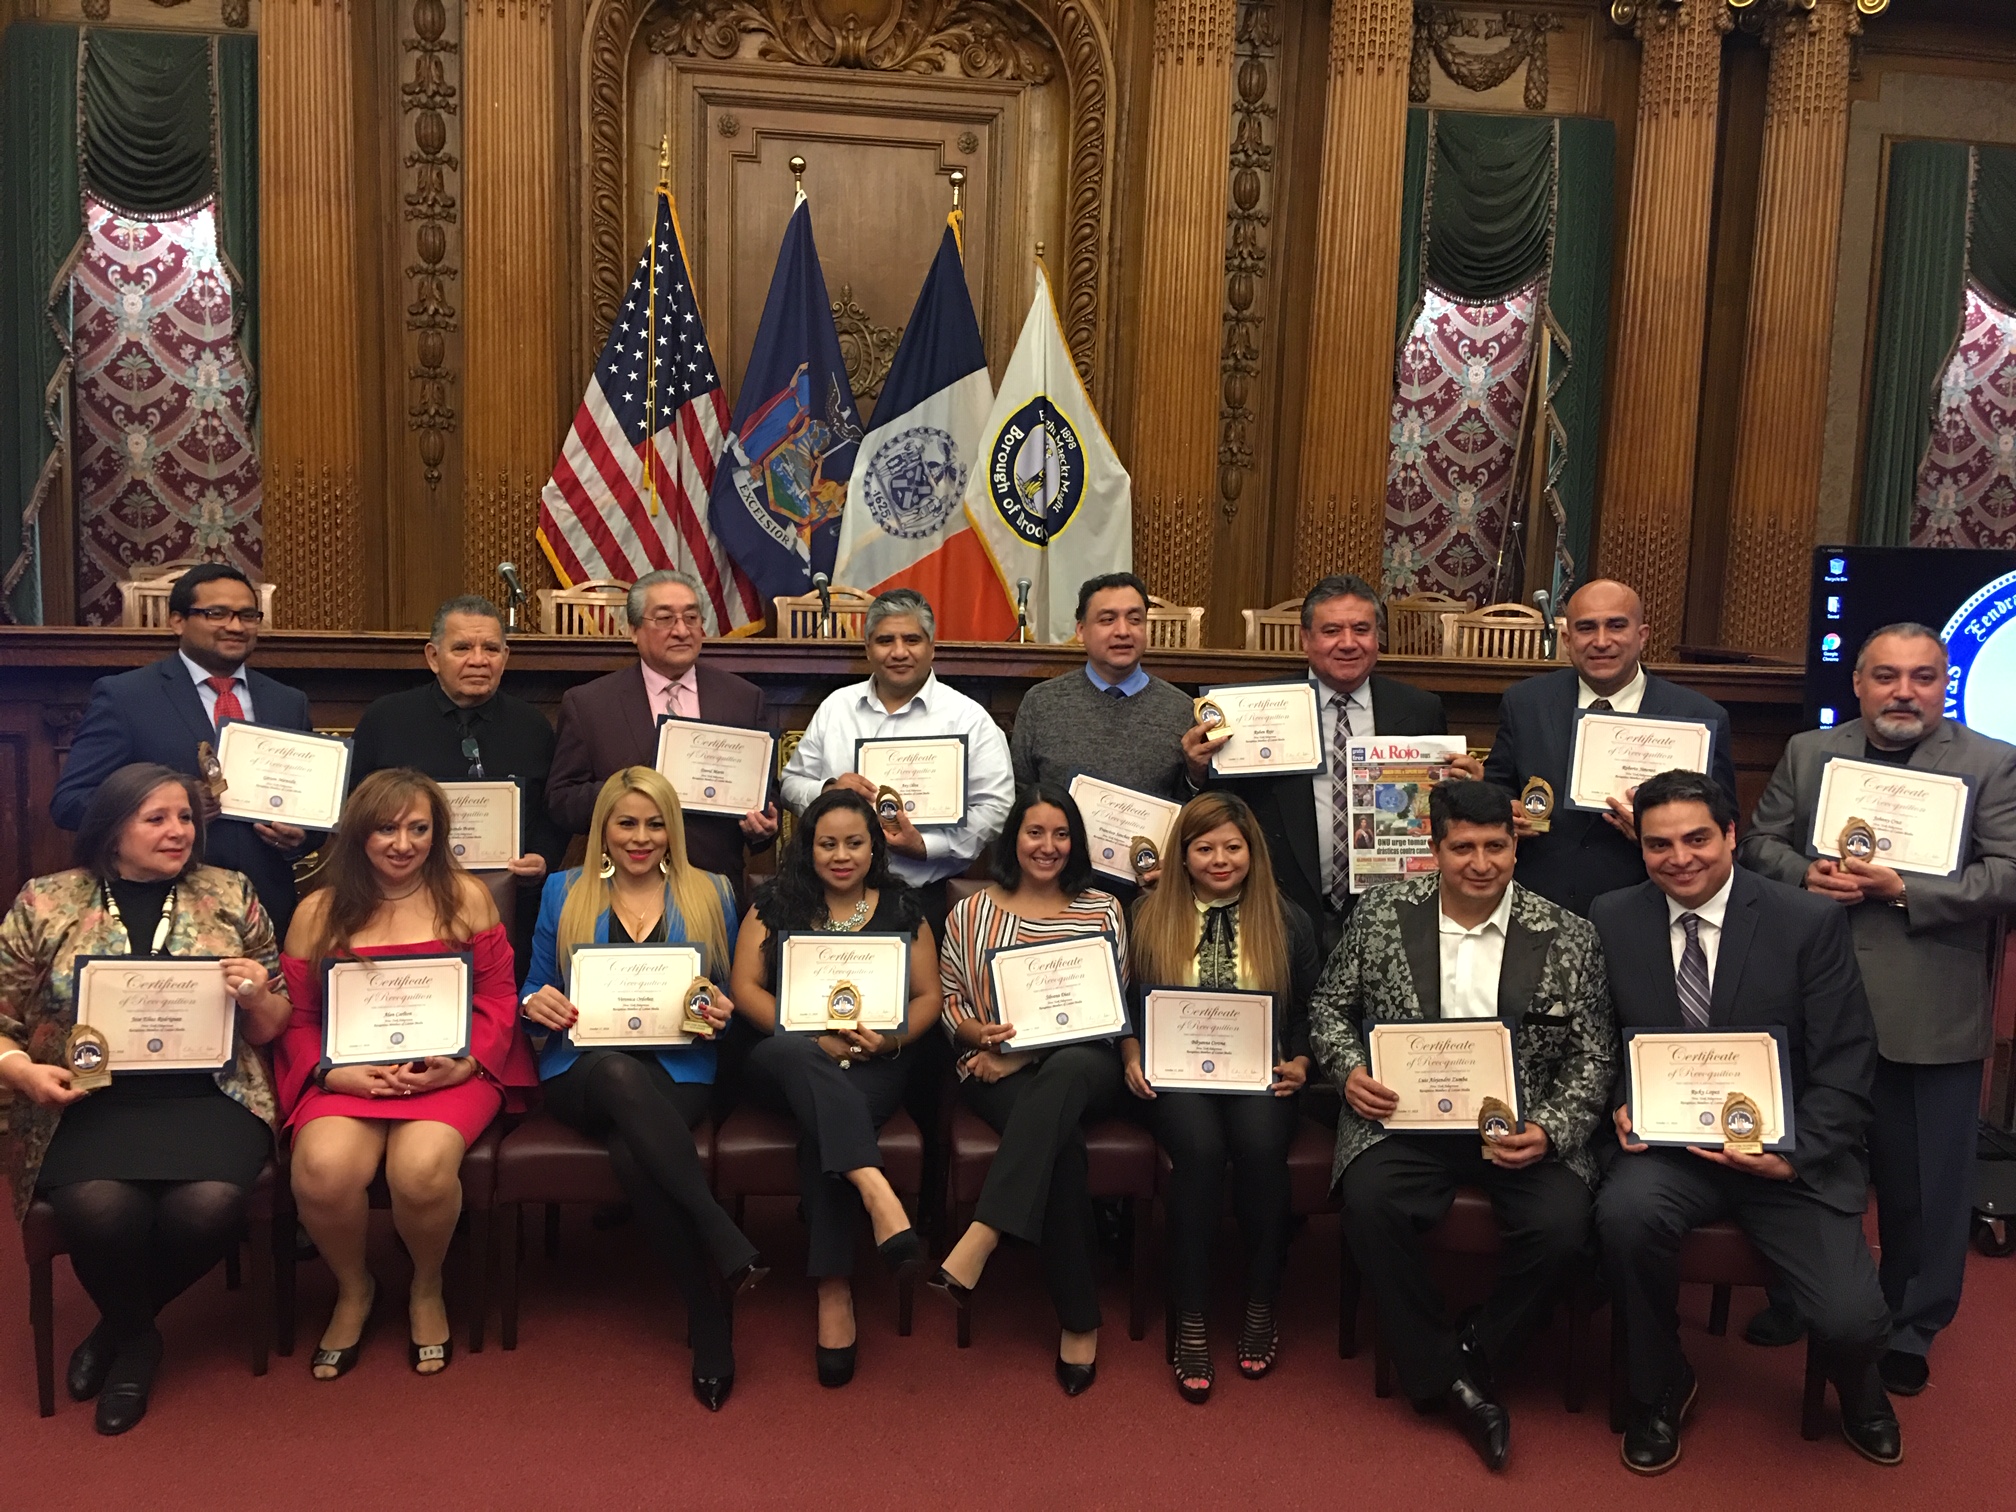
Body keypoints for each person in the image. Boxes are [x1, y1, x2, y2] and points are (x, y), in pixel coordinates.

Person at [1591, 769, 1898, 1475]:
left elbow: (1848, 1060)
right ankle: (1661, 1383)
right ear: (1640, 847)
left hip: (1789, 1157)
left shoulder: (1806, 921)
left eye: (1697, 838)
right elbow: (1599, 1039)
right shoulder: (1612, 916)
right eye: (1658, 844)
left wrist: (1794, 1154)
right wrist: (1618, 1101)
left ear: (1731, 835)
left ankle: (1860, 1384)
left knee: (1850, 1318)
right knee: (1624, 1217)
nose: (1680, 858)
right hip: (1671, 1152)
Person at [1735, 623, 2016, 1392]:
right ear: (1857, 684)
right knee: (1799, 1161)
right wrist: (1803, 874)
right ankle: (1797, 1294)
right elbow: (1758, 845)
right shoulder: (1810, 753)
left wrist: (1905, 890)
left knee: (1922, 1185)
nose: (1903, 692)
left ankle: (1911, 1326)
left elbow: (2008, 875)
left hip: (1929, 1006)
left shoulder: (1991, 764)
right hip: (1811, 1002)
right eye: (1886, 676)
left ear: (1944, 686)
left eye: (1922, 677)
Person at [1308, 780, 1614, 1470]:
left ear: (1516, 845)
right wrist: (1349, 1070)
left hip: (1519, 1127)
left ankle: (1467, 1354)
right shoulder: (1381, 913)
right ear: (1434, 848)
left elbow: (1593, 1056)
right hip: (1401, 1121)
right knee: (1370, 1203)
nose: (1481, 863)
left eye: (1496, 846)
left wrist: (1552, 1128)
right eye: (1464, 848)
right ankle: (1453, 1376)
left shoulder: (1570, 934)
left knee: (1564, 1226)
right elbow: (1328, 1007)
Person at [0, 764, 290, 1434]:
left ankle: (120, 1329)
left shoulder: (230, 893)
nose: (178, 831)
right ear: (112, 828)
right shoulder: (46, 902)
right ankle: (139, 1340)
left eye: (185, 817)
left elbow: (274, 1025)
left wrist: (256, 994)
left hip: (212, 1094)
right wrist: (23, 1073)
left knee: (208, 1206)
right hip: (85, 1098)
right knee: (100, 1210)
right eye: (156, 818)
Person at [275, 768, 538, 1381]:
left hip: (451, 1072)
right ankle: (354, 1288)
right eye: (386, 829)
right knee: (322, 1170)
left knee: (419, 1171)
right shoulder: (317, 911)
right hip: (348, 1074)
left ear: (437, 833)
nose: (403, 844)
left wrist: (465, 1063)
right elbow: (300, 1018)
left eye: (418, 829)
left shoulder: (467, 897)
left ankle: (426, 1285)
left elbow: (499, 998)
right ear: (358, 834)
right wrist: (330, 1073)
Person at [518, 768, 764, 1410]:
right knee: (616, 1073)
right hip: (581, 1071)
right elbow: (534, 985)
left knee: (633, 1151)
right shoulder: (563, 890)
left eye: (655, 824)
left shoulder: (711, 891)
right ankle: (718, 1233)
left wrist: (718, 1009)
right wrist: (534, 1004)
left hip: (679, 1070)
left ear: (672, 829)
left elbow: (723, 991)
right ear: (603, 827)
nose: (640, 837)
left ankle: (706, 1313)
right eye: (626, 822)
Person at [726, 787, 939, 1387]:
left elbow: (929, 997)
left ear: (874, 848)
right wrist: (810, 1035)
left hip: (875, 1061)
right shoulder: (775, 902)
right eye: (827, 844)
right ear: (808, 847)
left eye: (853, 843)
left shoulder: (905, 907)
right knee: (801, 1060)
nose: (841, 855)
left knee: (828, 1125)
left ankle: (834, 1287)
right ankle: (876, 1190)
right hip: (786, 1056)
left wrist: (889, 1042)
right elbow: (744, 988)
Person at [1120, 791, 1320, 1403]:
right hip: (1174, 1077)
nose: (1220, 859)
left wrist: (1302, 1061)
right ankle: (1191, 1313)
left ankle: (1261, 1300)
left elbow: (1312, 1010)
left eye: (1233, 847)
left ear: (1253, 851)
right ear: (1182, 855)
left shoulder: (1286, 919)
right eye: (1204, 848)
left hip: (1261, 1074)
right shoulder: (1146, 914)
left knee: (1260, 1147)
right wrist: (1130, 1054)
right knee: (1201, 1152)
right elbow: (1122, 1004)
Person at [931, 784, 1129, 1396]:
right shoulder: (971, 912)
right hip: (988, 1067)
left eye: (1061, 834)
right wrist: (979, 1035)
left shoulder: (1103, 910)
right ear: (1012, 839)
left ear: (1076, 843)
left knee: (1064, 1074)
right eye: (1035, 832)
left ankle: (984, 1232)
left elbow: (1109, 1010)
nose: (1048, 846)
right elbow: (951, 1005)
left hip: (1083, 1065)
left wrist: (1021, 1054)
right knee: (1059, 1145)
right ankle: (1079, 1320)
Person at [1185, 574, 1466, 956]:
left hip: (1390, 916)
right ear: (1305, 638)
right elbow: (1223, 809)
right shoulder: (1254, 708)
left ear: (1377, 637)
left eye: (1361, 629)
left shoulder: (1419, 710)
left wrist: (1466, 789)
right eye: (1331, 630)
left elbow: (1440, 810)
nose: (1348, 643)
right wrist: (1197, 772)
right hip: (1280, 911)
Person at [52, 563, 315, 940]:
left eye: (247, 615)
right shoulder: (126, 697)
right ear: (177, 621)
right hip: (160, 907)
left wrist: (301, 836)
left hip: (266, 906)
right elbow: (70, 802)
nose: (235, 626)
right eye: (217, 613)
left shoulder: (288, 702)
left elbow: (317, 817)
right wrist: (165, 810)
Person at [1481, 578, 1735, 917]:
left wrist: (1654, 834)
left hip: (1649, 909)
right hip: (1540, 905)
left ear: (1642, 635)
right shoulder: (1526, 702)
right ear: (1568, 640)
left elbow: (1723, 824)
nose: (1601, 641)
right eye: (1587, 628)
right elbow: (1498, 785)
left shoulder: (1698, 716)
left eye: (1616, 626)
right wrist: (1506, 811)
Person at [779, 586, 1014, 941]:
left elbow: (997, 807)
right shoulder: (836, 709)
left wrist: (927, 847)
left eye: (912, 640)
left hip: (929, 896)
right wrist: (828, 791)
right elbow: (791, 783)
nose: (899, 652)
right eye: (885, 640)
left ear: (932, 647)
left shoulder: (968, 718)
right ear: (867, 648)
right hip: (835, 898)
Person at [349, 594, 568, 956]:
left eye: (491, 649)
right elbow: (353, 807)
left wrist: (542, 856)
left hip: (511, 907)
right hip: (401, 906)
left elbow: (551, 810)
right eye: (462, 648)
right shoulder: (386, 719)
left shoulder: (532, 726)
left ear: (505, 657)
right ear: (433, 657)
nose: (478, 660)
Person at [546, 569, 778, 894]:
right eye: (665, 618)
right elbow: (562, 801)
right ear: (634, 630)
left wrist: (763, 826)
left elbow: (766, 794)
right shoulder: (589, 704)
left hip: (713, 887)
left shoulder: (743, 698)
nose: (681, 631)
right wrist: (635, 789)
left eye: (691, 618)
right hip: (619, 890)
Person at [1010, 572, 1197, 806]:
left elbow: (1192, 808)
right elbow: (1019, 796)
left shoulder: (1181, 709)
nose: (1123, 631)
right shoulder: (1040, 703)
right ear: (1080, 631)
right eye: (1108, 620)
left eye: (1135, 619)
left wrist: (1196, 775)